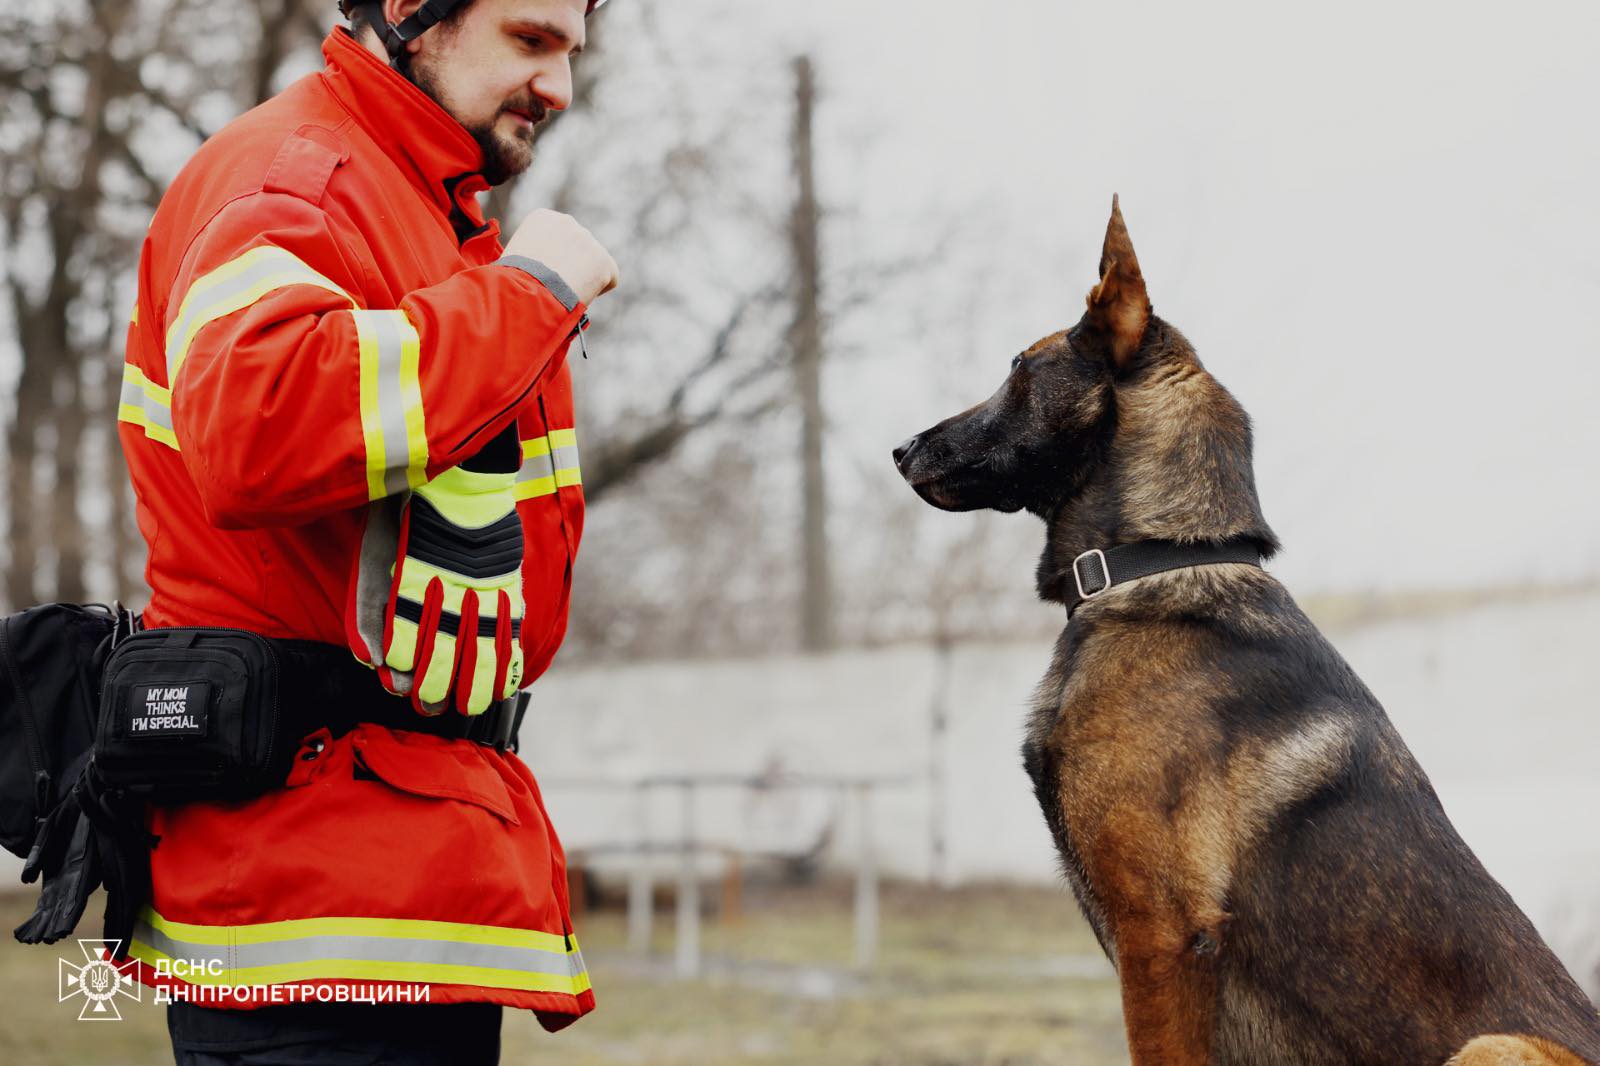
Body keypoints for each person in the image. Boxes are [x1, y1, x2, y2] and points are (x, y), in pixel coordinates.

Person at [113, 0, 618, 1061]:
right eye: (530, 41)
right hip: (309, 900)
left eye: (571, 52)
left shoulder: (417, 206)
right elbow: (257, 423)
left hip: (389, 880)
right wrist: (530, 295)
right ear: (409, 11)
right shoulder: (298, 178)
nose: (559, 90)